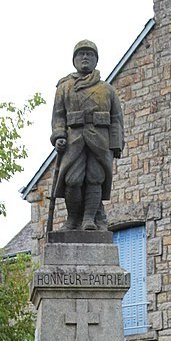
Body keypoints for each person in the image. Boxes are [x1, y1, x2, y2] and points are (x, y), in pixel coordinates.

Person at [51, 40, 124, 231]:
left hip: (100, 139)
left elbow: (116, 118)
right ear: (74, 59)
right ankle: (73, 219)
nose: (85, 57)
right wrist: (59, 135)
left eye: (89, 54)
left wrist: (116, 144)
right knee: (72, 180)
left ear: (96, 60)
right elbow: (58, 115)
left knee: (95, 177)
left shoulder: (107, 89)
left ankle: (89, 219)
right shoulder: (64, 87)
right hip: (74, 138)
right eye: (81, 54)